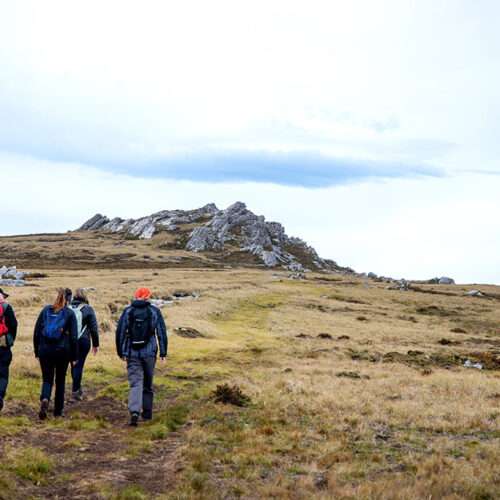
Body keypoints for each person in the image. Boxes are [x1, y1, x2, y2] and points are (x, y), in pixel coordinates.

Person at [116, 287, 167, 426]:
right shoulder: (154, 311)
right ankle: (147, 413)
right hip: (150, 352)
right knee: (147, 383)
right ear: (148, 297)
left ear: (136, 296)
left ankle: (134, 411)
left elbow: (120, 331)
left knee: (135, 383)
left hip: (132, 352)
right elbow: (161, 332)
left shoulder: (127, 311)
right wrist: (163, 352)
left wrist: (120, 351)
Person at [34, 288, 78, 419]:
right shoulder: (69, 314)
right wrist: (74, 357)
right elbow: (74, 337)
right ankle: (58, 411)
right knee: (60, 380)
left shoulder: (45, 311)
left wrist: (37, 350)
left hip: (45, 351)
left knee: (47, 378)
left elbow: (36, 332)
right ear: (68, 300)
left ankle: (45, 398)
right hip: (62, 351)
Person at [69, 288, 99, 401]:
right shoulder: (88, 309)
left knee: (73, 364)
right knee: (79, 365)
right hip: (83, 341)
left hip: (69, 342)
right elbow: (94, 328)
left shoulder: (68, 308)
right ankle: (76, 391)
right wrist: (95, 344)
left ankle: (77, 387)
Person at [0, 288, 18, 412]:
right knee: (3, 373)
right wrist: (10, 339)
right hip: (3, 344)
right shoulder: (7, 307)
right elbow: (14, 325)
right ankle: (0, 396)